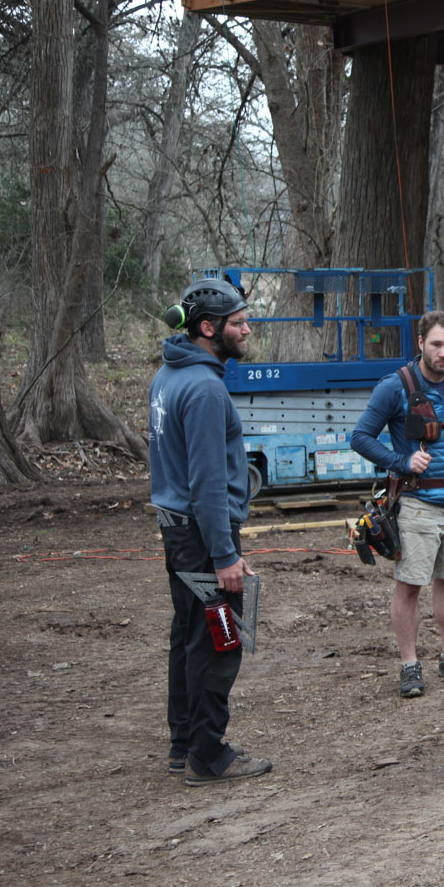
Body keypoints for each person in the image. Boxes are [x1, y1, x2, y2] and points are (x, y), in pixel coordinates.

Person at [149, 277, 272, 786]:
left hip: (178, 530)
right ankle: (207, 754)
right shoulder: (203, 388)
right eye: (238, 322)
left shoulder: (168, 375)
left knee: (189, 635)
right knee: (221, 639)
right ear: (208, 327)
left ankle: (184, 742)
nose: (246, 329)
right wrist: (224, 556)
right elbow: (205, 484)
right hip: (203, 535)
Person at [351, 311, 444, 699]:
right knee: (410, 587)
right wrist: (400, 461)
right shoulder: (395, 387)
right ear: (421, 342)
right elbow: (360, 437)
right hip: (417, 506)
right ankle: (410, 666)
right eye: (436, 344)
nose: (443, 353)